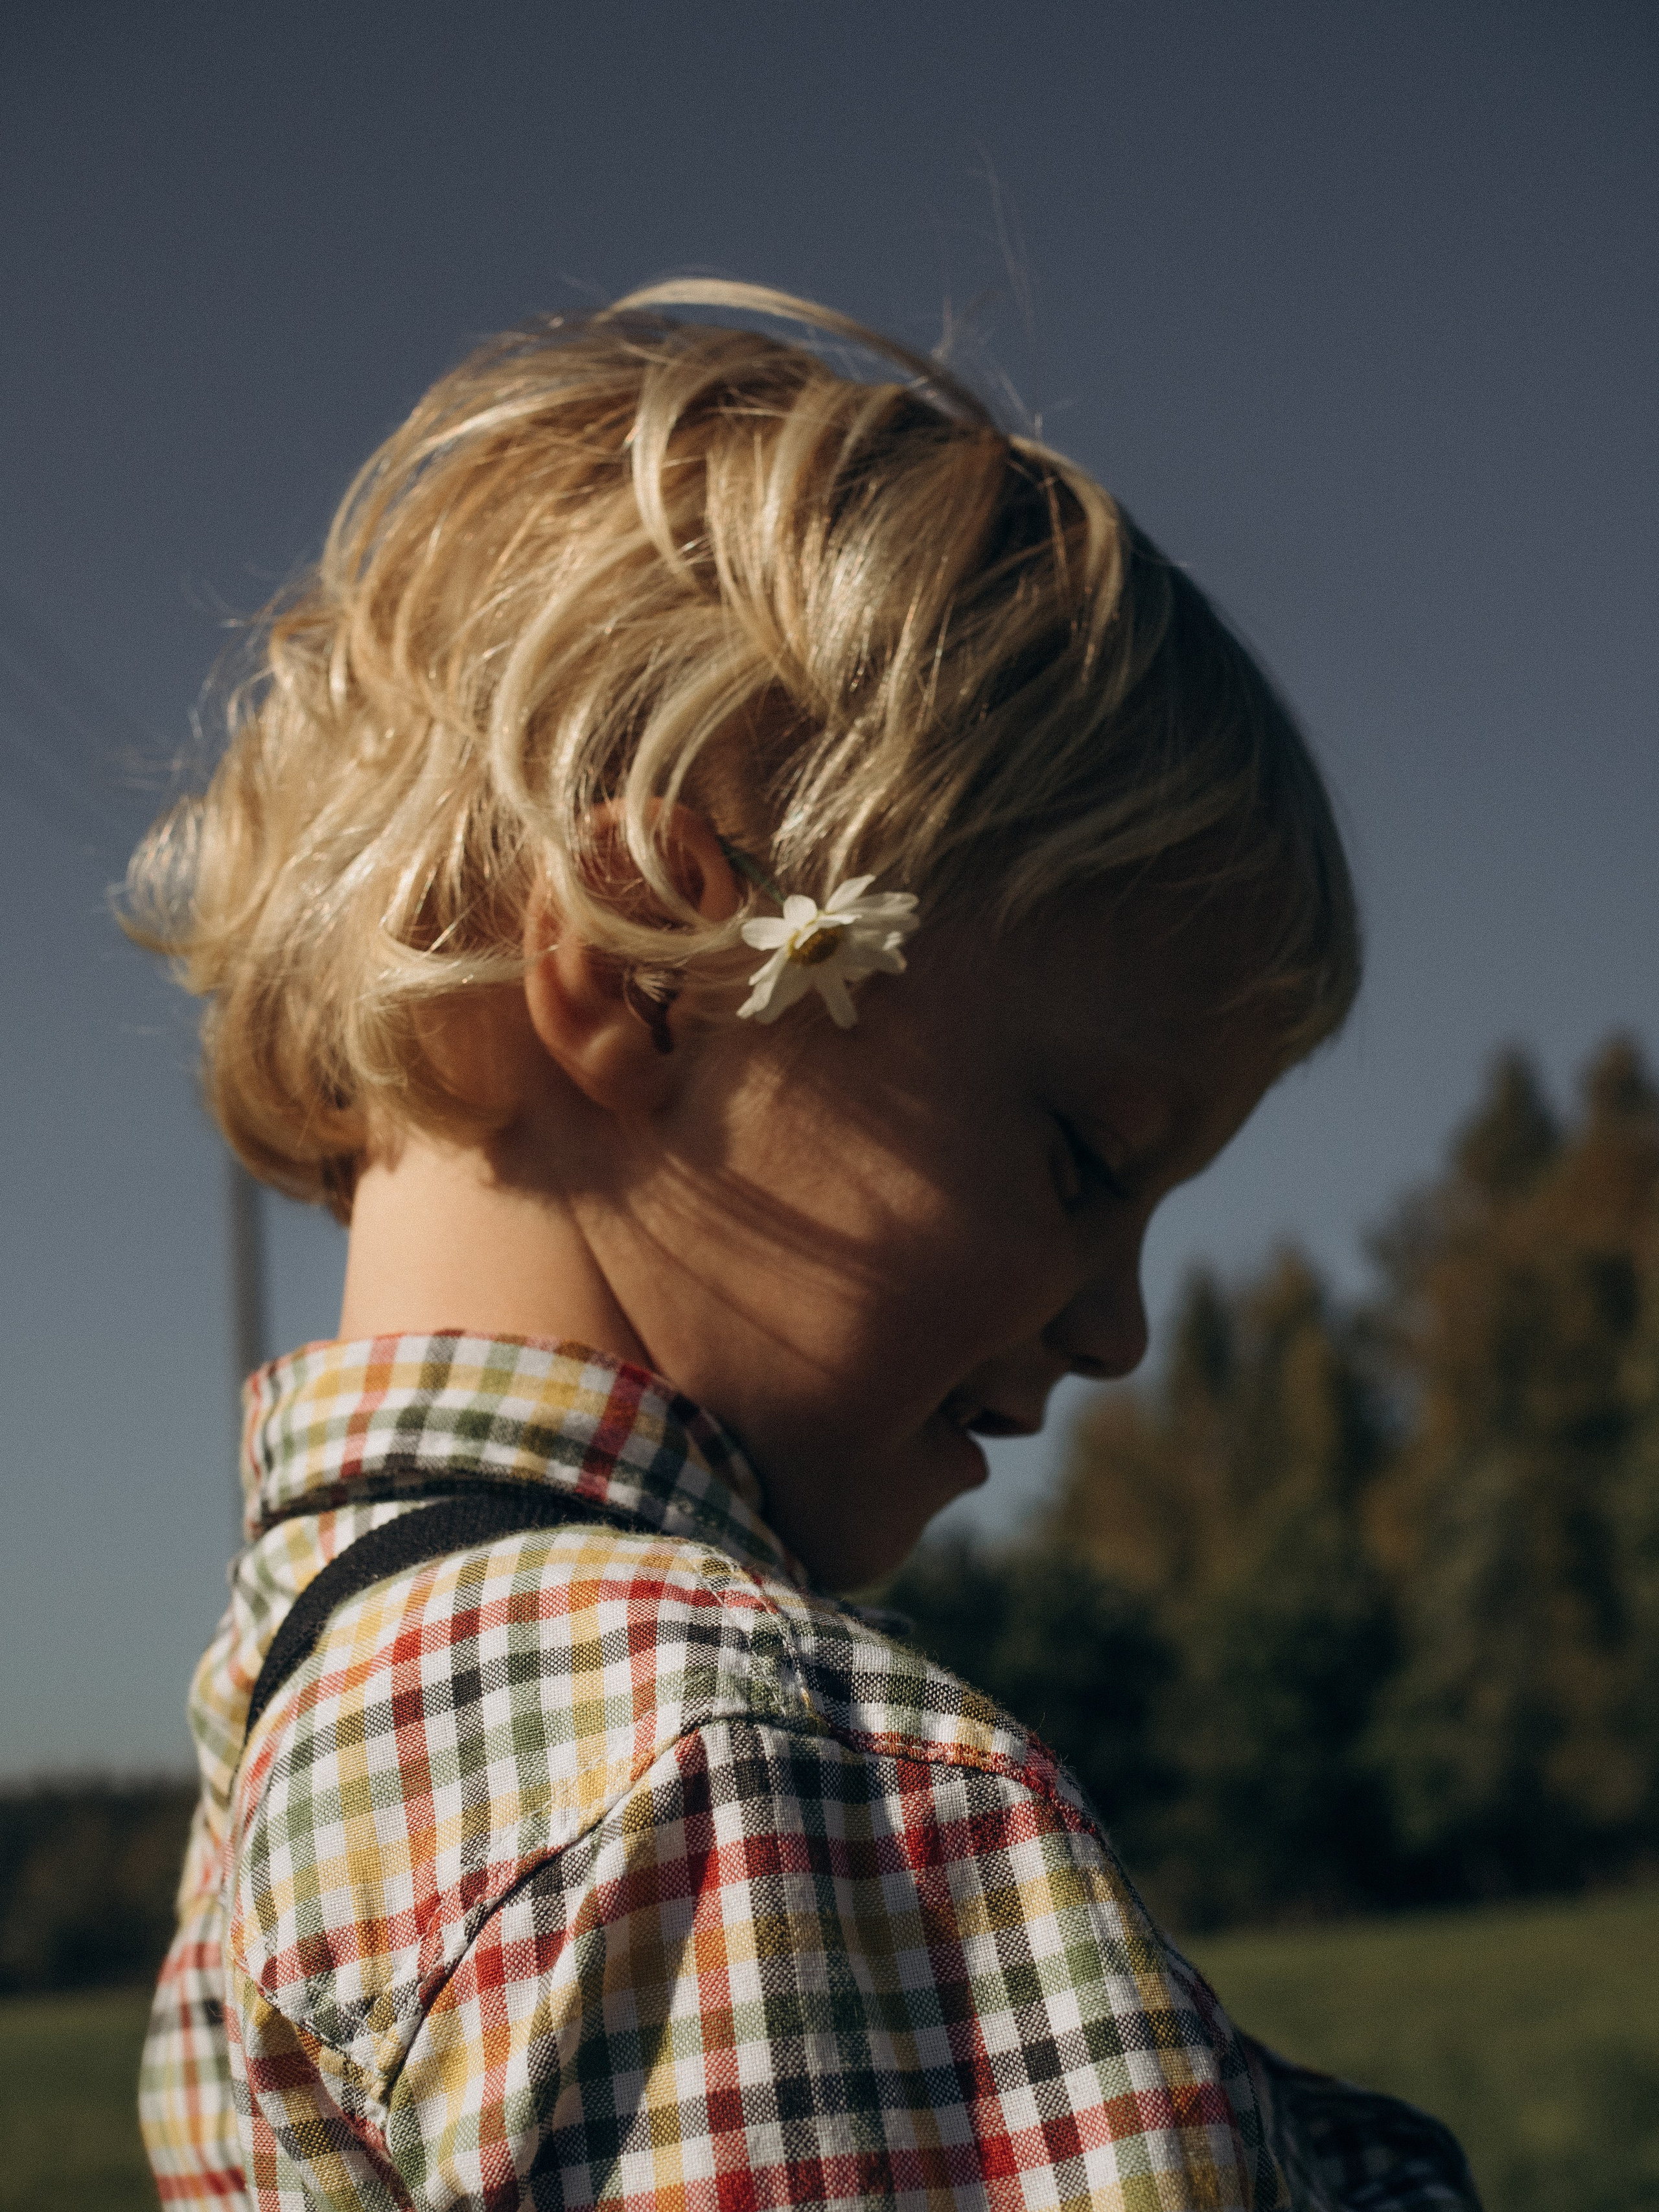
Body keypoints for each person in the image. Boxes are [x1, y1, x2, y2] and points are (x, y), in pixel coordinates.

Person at [130, 281, 1478, 2210]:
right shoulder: (705, 1772)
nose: (1123, 1332)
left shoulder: (306, 1697)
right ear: (638, 971)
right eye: (1089, 1158)